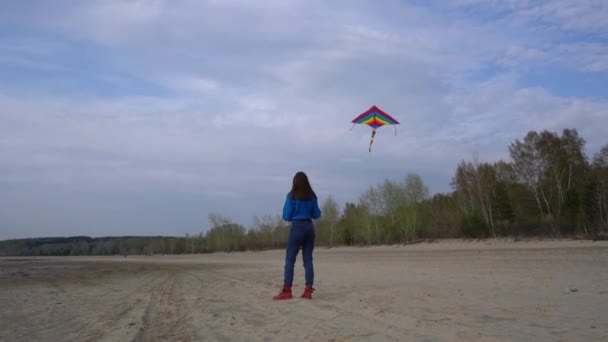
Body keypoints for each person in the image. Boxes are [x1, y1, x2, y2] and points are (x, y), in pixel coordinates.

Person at [273, 171, 321, 300]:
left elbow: (287, 215)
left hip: (297, 226)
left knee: (290, 260)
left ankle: (287, 291)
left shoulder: (292, 195)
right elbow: (317, 214)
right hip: (309, 227)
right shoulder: (312, 196)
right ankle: (308, 291)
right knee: (308, 260)